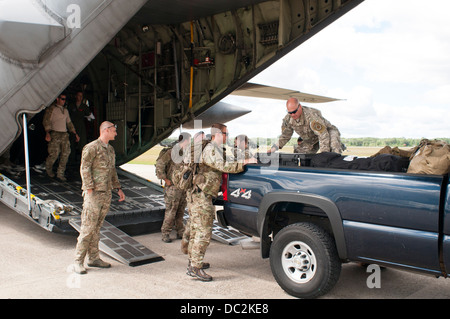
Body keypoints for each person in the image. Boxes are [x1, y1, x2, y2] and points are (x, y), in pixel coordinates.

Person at [186, 124, 257, 281]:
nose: (227, 136)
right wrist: (245, 162)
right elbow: (225, 166)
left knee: (196, 231)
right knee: (203, 232)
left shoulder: (216, 150)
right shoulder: (211, 149)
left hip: (199, 196)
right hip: (201, 197)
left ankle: (193, 262)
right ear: (218, 134)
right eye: (226, 133)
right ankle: (195, 268)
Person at [72, 121, 126, 274]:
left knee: (97, 227)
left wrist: (118, 188)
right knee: (88, 228)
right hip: (94, 193)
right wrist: (88, 187)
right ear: (106, 130)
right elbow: (85, 167)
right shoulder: (92, 147)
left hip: (106, 193)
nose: (116, 133)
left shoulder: (110, 150)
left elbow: (112, 170)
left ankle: (93, 258)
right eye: (114, 130)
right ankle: (78, 261)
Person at [270, 98, 342, 154]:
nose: (292, 115)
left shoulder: (311, 116)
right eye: (290, 112)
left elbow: (323, 135)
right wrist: (273, 148)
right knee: (299, 152)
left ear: (300, 107)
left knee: (333, 152)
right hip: (312, 138)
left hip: (328, 132)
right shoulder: (288, 119)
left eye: (294, 112)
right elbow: (285, 136)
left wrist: (324, 154)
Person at [155, 132, 192, 243]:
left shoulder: (186, 153)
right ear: (185, 140)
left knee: (180, 211)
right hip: (173, 188)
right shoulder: (172, 152)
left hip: (182, 188)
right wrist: (165, 179)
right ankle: (165, 233)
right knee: (171, 211)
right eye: (189, 140)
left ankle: (180, 232)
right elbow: (160, 164)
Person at [43, 92, 80, 181]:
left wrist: (75, 133)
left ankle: (60, 173)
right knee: (54, 154)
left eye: (65, 99)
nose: (64, 101)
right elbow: (46, 121)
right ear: (58, 99)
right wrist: (47, 133)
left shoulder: (65, 110)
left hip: (64, 134)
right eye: (62, 99)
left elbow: (69, 123)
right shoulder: (52, 109)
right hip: (55, 133)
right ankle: (48, 169)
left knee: (66, 153)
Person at [181, 131, 205, 254]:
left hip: (191, 190)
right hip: (193, 191)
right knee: (194, 222)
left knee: (192, 220)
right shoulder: (193, 152)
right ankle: (188, 248)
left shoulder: (192, 151)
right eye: (202, 139)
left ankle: (187, 246)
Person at [69, 91, 95, 164]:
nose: (80, 98)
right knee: (72, 144)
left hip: (81, 127)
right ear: (76, 96)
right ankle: (72, 161)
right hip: (72, 126)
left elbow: (90, 116)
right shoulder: (71, 106)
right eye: (78, 96)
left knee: (82, 143)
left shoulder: (84, 106)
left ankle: (83, 161)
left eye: (81, 96)